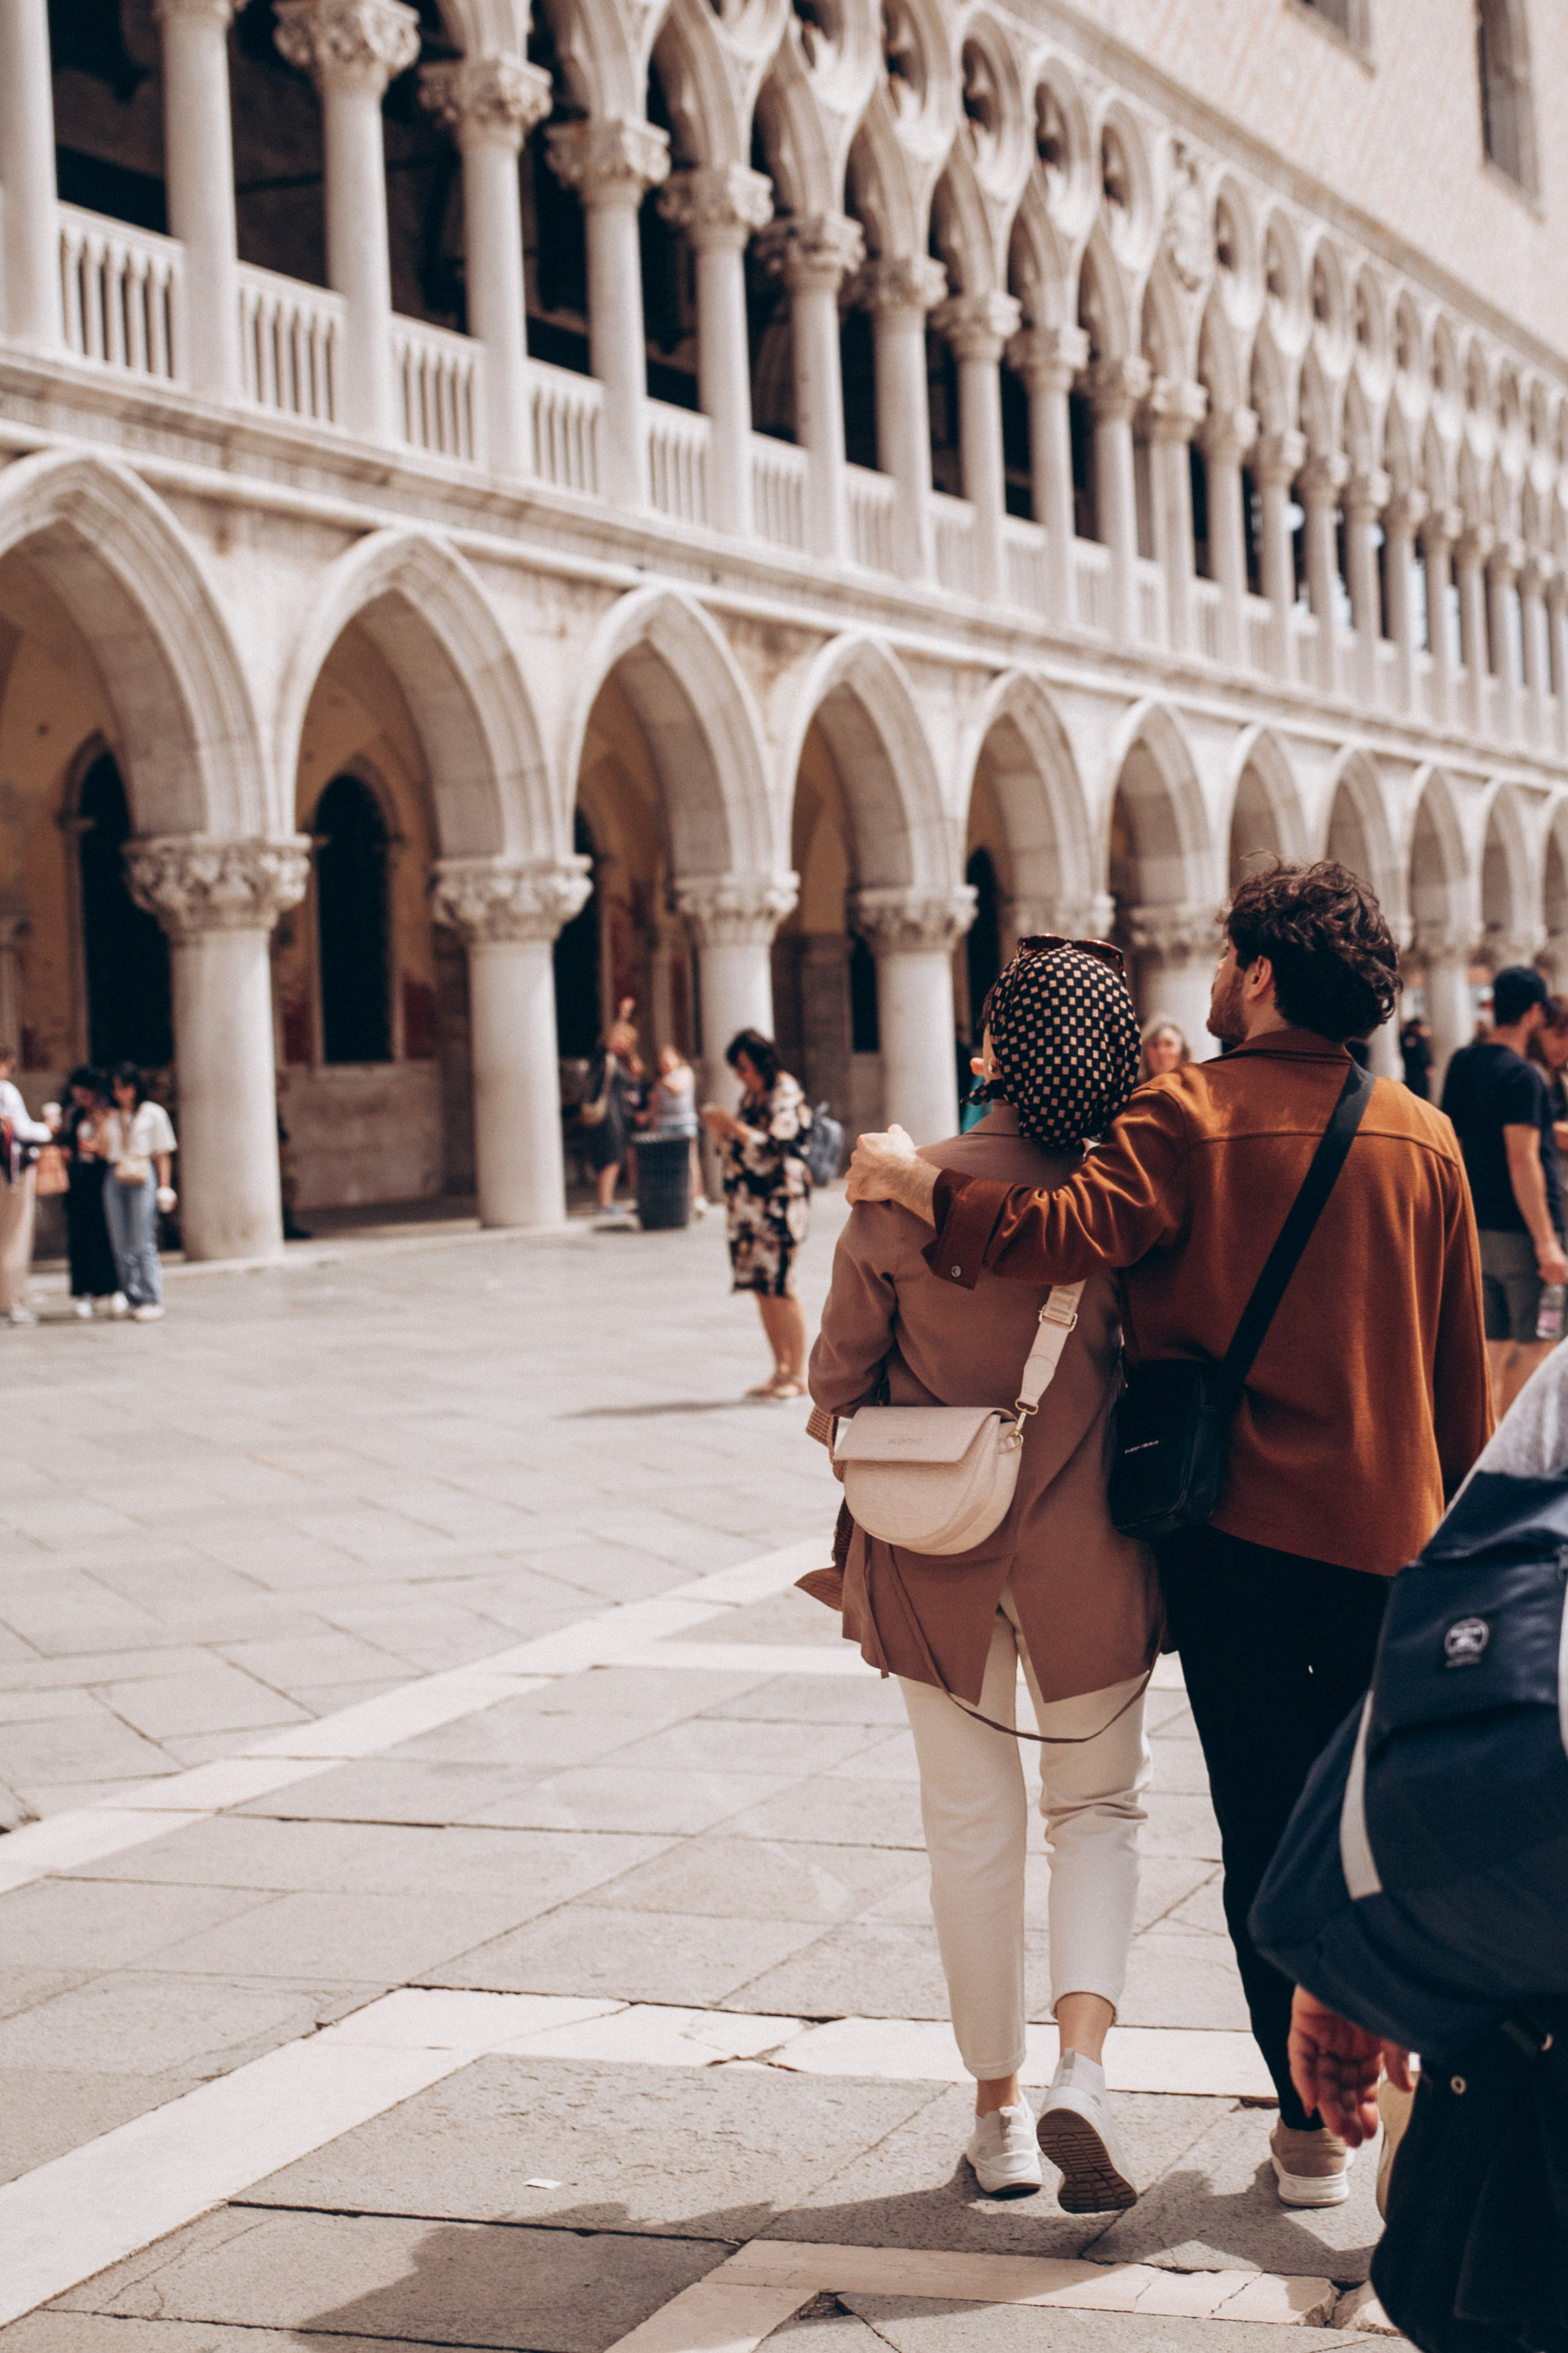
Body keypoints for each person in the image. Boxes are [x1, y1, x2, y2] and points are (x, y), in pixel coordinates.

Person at [845, 861, 1491, 2208]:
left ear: (1255, 974)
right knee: (1378, 1823)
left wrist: (917, 1185)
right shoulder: (1423, 1137)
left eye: (1218, 955)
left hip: (1236, 1542)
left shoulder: (1185, 1114)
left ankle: (1315, 2137)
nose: (1204, 977)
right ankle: (1404, 2090)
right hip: (1389, 1547)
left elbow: (1057, 1231)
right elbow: (1454, 1378)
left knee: (1264, 1830)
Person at [808, 940, 1161, 2213]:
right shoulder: (1125, 1204)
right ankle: (1081, 2066)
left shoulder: (899, 1191)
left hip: (929, 1556)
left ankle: (996, 2114)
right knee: (1098, 1813)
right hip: (1093, 1557)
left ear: (991, 1051)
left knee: (971, 1831)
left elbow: (834, 1387)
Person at [1441, 964, 1568, 1419]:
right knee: (1537, 1347)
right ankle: (1512, 1458)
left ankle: (1480, 1448)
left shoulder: (1463, 1062)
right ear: (1535, 1012)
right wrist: (1547, 1241)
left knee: (1492, 1349)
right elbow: (1524, 1160)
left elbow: (1451, 1144)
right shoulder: (1523, 1076)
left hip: (1478, 1227)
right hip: (1521, 1233)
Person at [701, 1029, 812, 1399]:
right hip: (748, 1206)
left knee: (781, 1283)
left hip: (781, 1202)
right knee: (761, 1287)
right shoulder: (752, 1095)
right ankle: (780, 1369)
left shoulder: (785, 1091)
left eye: (744, 1068)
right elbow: (738, 1149)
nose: (740, 1075)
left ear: (762, 1063)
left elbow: (777, 1145)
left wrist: (731, 1126)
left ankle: (797, 1374)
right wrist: (722, 1132)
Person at [97, 1063, 177, 1323]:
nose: (121, 1093)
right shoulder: (112, 1116)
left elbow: (163, 1154)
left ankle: (151, 1297)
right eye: (116, 1088)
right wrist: (102, 1123)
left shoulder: (153, 1113)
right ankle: (132, 1295)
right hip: (115, 1174)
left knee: (143, 1240)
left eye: (126, 1087)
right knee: (120, 1242)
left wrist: (165, 1186)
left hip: (143, 1174)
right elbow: (101, 1151)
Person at [48, 1067, 122, 1317]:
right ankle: (85, 1291)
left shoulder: (108, 1114)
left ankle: (113, 1288)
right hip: (79, 1183)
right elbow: (66, 1144)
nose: (81, 1097)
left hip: (102, 1180)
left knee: (106, 1234)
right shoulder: (72, 1115)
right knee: (80, 1236)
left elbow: (111, 1148)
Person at [0, 1043, 51, 1327]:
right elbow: (22, 1130)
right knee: (14, 1234)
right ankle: (9, 1302)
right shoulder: (5, 1091)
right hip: (10, 1173)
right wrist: (48, 1129)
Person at [583, 1019, 646, 1229]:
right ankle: (605, 1203)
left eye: (627, 1041)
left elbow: (633, 1083)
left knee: (614, 1156)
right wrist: (623, 1016)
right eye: (620, 1038)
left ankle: (606, 1201)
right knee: (612, 1157)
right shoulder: (604, 1056)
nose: (623, 1043)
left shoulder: (619, 1061)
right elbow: (605, 1045)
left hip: (617, 1113)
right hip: (608, 1114)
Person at [647, 1045, 708, 1217]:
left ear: (676, 1059)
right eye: (661, 1062)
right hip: (665, 1123)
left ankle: (697, 1198)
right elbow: (656, 1106)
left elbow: (678, 1090)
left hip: (684, 1122)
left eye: (667, 1061)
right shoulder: (659, 1080)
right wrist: (653, 1128)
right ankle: (674, 1199)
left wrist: (663, 1081)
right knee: (668, 1163)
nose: (664, 1065)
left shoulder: (685, 1073)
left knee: (690, 1160)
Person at [1529, 989, 1568, 1161]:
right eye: (1559, 1036)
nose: (1565, 1045)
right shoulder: (1529, 1075)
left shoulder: (1562, 1075)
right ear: (1539, 1033)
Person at [1138, 1016, 1188, 1082]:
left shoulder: (1191, 1088)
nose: (1161, 1052)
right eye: (1155, 1045)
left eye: (1168, 1045)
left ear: (1182, 1052)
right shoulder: (1132, 1088)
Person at [1399, 1015, 1433, 1100]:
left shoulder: (1415, 1037)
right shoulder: (1410, 1038)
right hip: (1416, 1073)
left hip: (1420, 1074)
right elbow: (1417, 1054)